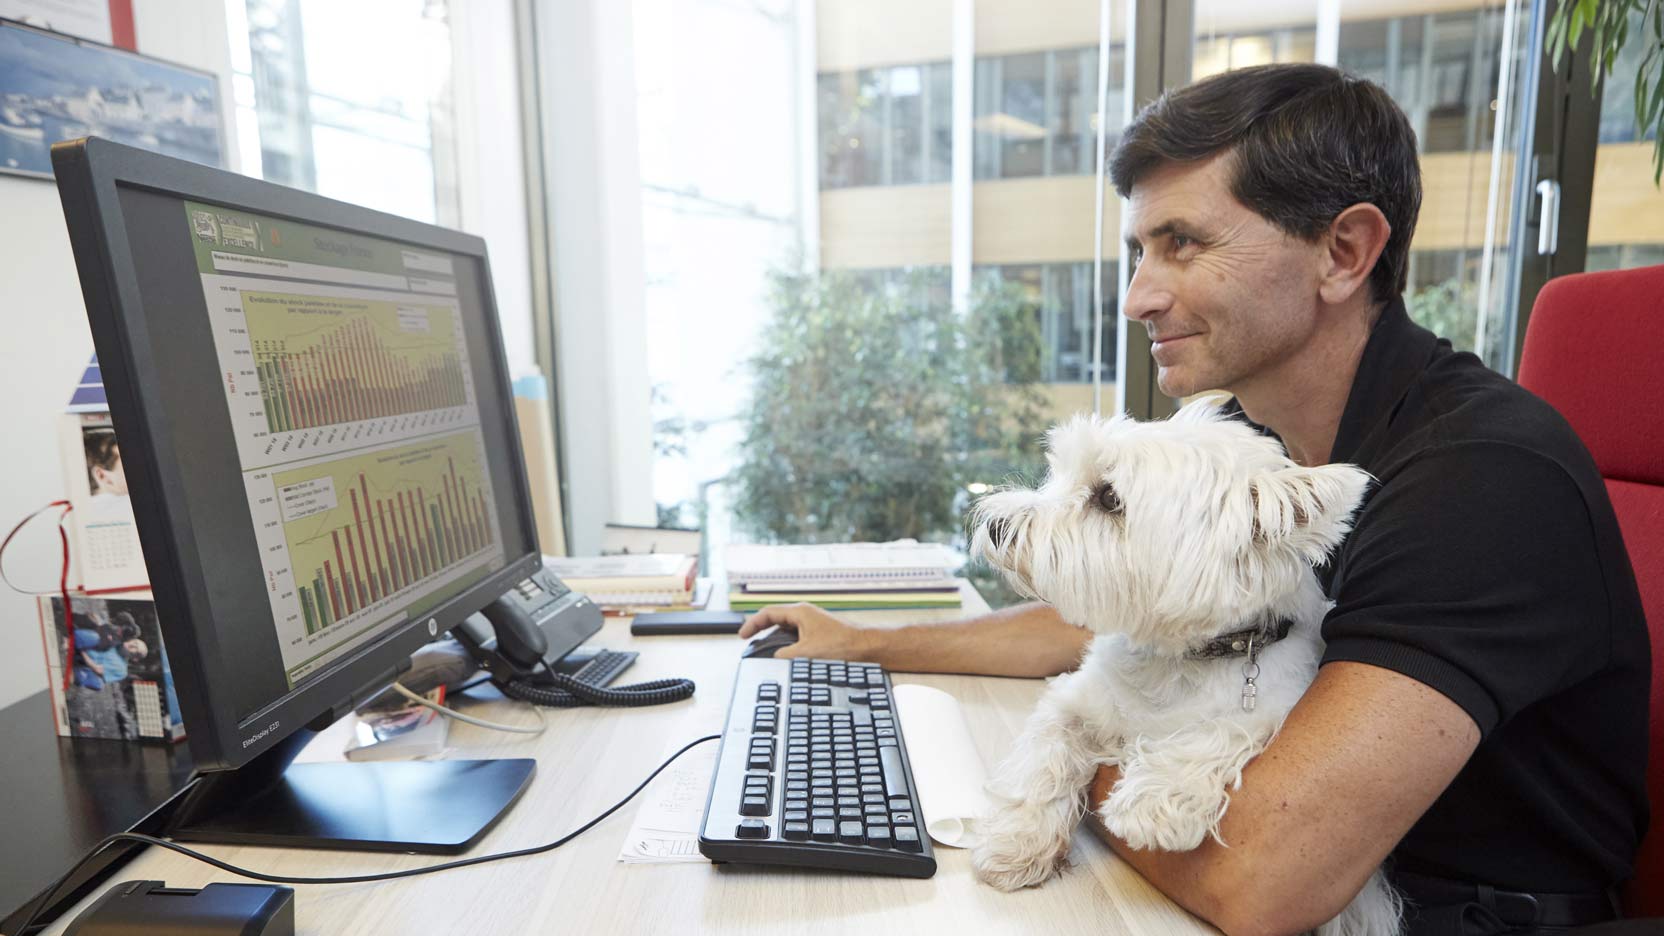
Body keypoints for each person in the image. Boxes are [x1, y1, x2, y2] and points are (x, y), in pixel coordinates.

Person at [740, 63, 1649, 935]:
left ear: (1344, 251)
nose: (1138, 296)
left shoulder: (1481, 480)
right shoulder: (1250, 434)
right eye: (1140, 249)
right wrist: (869, 648)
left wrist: (1071, 747)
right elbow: (1130, 618)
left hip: (1444, 914)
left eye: (1185, 243)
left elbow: (1264, 878)